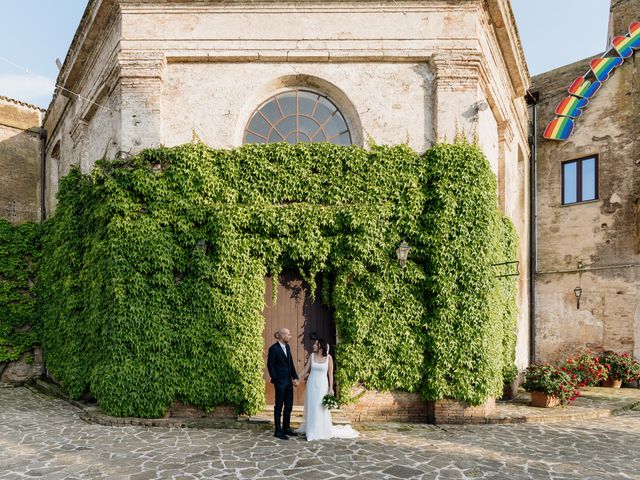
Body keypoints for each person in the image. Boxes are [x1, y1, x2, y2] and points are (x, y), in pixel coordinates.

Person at [295, 338, 359, 441]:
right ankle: (311, 430)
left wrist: (330, 388)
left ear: (321, 346)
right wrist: (297, 377)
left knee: (320, 406)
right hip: (312, 384)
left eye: (316, 344)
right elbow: (306, 369)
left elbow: (330, 374)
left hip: (322, 385)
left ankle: (321, 430)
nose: (314, 346)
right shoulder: (312, 356)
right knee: (312, 406)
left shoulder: (329, 358)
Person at [267, 327, 299, 440]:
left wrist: (295, 377)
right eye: (288, 334)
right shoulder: (273, 349)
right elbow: (270, 366)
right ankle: (278, 430)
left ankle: (286, 428)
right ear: (282, 335)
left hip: (289, 381)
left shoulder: (288, 347)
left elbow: (290, 363)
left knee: (289, 406)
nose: (290, 336)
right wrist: (276, 379)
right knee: (278, 406)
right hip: (280, 382)